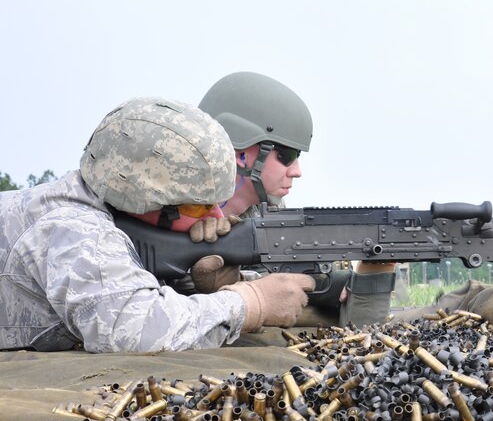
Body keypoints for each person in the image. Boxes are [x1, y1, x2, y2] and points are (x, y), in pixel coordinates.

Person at [0, 97, 316, 353]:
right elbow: (135, 331)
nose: (218, 218)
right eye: (198, 205)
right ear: (142, 201)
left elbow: (120, 289)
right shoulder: (76, 230)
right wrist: (249, 302)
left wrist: (198, 283)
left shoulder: (91, 202)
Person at [190, 71, 396, 327]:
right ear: (239, 153)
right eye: (285, 155)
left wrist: (332, 282)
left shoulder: (269, 212)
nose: (297, 171)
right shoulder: (174, 213)